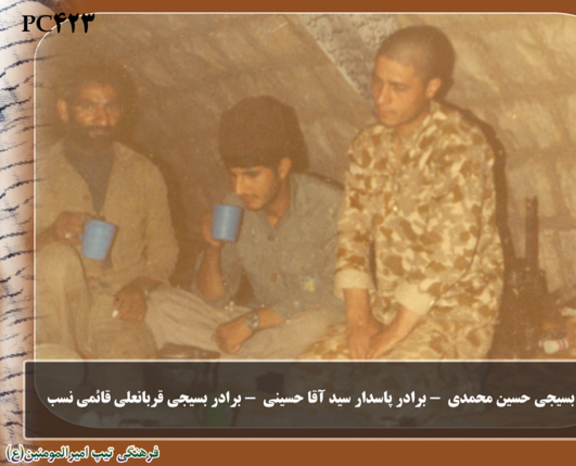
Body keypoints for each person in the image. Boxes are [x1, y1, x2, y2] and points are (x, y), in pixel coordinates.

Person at [302, 25, 504, 360]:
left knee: (388, 388)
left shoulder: (459, 144)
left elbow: (449, 252)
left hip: (455, 316)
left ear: (431, 87)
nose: (381, 97)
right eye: (377, 81)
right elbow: (353, 231)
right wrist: (358, 318)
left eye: (398, 87)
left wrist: (396, 332)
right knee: (307, 376)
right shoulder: (368, 144)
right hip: (387, 307)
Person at [146, 96, 345, 359]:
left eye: (252, 175)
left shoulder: (329, 205)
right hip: (260, 330)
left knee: (317, 325)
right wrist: (212, 249)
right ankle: (243, 360)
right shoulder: (234, 207)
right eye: (233, 175)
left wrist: (254, 321)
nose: (240, 188)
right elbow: (211, 299)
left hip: (297, 322)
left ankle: (223, 358)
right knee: (160, 305)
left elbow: (337, 296)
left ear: (282, 168)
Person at [35, 62, 178, 359]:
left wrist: (139, 287)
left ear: (122, 111)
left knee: (132, 367)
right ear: (64, 110)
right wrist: (49, 235)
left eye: (111, 107)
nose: (102, 118)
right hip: (52, 309)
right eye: (88, 106)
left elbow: (164, 253)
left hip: (115, 305)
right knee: (58, 261)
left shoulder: (144, 173)